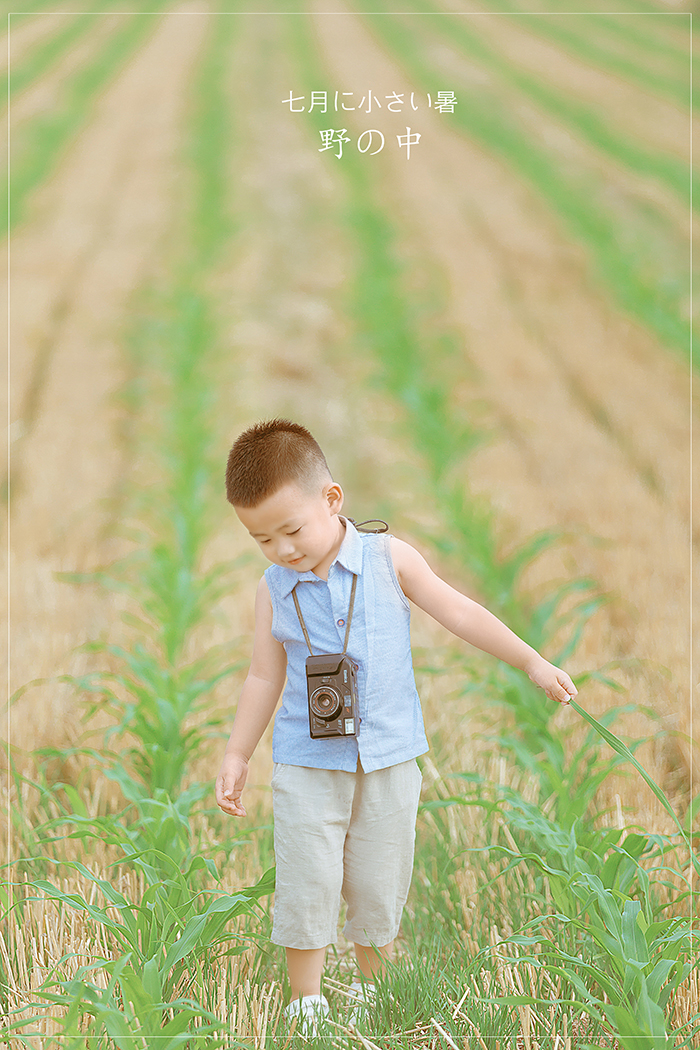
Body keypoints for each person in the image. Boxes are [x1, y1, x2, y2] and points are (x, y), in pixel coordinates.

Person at [215, 418, 577, 1031]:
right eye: (262, 540)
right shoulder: (274, 589)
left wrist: (533, 661)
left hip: (388, 756)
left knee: (380, 876)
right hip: (308, 758)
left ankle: (371, 987)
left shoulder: (389, 559)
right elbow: (263, 677)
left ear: (332, 500)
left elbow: (460, 611)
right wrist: (237, 752)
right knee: (310, 872)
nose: (282, 550)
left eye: (292, 530)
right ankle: (306, 998)